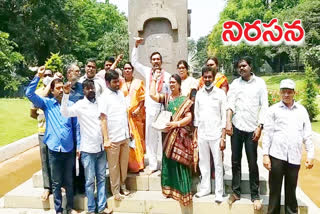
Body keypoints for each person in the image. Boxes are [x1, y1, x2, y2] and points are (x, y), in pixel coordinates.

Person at [26, 66, 79, 214]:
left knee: (69, 180)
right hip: (54, 148)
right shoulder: (47, 104)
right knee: (56, 183)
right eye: (58, 88)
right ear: (52, 90)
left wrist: (78, 146)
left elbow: (76, 128)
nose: (61, 90)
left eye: (62, 87)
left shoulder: (71, 105)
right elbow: (29, 93)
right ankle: (58, 210)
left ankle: (70, 207)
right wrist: (38, 76)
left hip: (69, 148)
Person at [262, 79, 314, 214]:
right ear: (280, 93)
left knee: (291, 191)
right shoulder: (273, 110)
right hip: (276, 156)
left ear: (294, 93)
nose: (286, 95)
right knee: (274, 192)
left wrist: (310, 155)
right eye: (283, 92)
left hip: (294, 157)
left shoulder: (301, 111)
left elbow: (307, 134)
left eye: (289, 92)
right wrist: (265, 155)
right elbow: (267, 134)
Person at [61, 79, 112, 214]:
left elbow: (105, 121)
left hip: (101, 149)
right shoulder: (80, 105)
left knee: (101, 179)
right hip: (87, 150)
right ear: (83, 90)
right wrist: (65, 95)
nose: (91, 90)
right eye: (88, 88)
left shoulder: (100, 102)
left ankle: (101, 208)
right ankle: (91, 208)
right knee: (90, 181)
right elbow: (65, 113)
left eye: (92, 88)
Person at [226, 56, 268, 210]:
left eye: (244, 66)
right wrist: (228, 122)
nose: (241, 68)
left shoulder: (260, 83)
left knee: (252, 163)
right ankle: (236, 192)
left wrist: (260, 126)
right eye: (239, 66)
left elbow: (264, 106)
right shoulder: (235, 84)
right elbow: (230, 103)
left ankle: (255, 195)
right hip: (237, 127)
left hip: (252, 129)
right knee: (235, 161)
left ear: (250, 67)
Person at [150, 73, 195, 206]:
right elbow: (152, 95)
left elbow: (189, 117)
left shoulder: (184, 100)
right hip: (167, 136)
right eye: (170, 82)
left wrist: (176, 124)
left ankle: (183, 192)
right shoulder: (166, 98)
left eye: (174, 82)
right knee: (169, 162)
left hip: (180, 136)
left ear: (179, 84)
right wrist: (154, 79)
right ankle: (169, 190)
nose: (171, 84)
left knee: (179, 164)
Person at [131, 37, 171, 174]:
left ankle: (164, 164)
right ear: (150, 61)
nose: (155, 61)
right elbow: (134, 62)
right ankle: (153, 165)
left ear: (161, 61)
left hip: (163, 110)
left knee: (163, 138)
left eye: (157, 59)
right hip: (150, 110)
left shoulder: (168, 76)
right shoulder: (147, 72)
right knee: (151, 138)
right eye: (153, 59)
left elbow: (171, 93)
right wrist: (136, 46)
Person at [194, 66, 226, 203]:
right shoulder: (199, 94)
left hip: (216, 134)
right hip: (202, 134)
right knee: (203, 163)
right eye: (205, 77)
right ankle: (205, 188)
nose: (207, 79)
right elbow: (196, 116)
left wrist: (223, 137)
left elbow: (224, 117)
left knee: (218, 164)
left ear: (213, 78)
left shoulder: (220, 94)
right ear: (202, 78)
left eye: (209, 77)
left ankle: (219, 192)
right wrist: (195, 136)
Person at [99, 69, 130, 201]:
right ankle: (115, 190)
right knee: (113, 166)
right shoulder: (103, 97)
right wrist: (106, 139)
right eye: (114, 82)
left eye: (118, 81)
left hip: (124, 135)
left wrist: (129, 130)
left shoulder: (121, 94)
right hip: (113, 138)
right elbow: (103, 119)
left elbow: (125, 114)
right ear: (107, 82)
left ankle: (123, 185)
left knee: (123, 164)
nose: (117, 84)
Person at [30, 69, 53, 202]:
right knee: (45, 160)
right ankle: (47, 187)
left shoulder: (56, 91)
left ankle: (58, 184)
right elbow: (32, 112)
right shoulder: (38, 93)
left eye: (50, 75)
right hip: (43, 131)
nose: (48, 77)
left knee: (56, 159)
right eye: (46, 76)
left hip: (55, 131)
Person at [120, 62, 146, 173]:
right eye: (125, 68)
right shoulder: (119, 83)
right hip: (123, 117)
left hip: (136, 117)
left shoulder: (138, 83)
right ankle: (128, 165)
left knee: (137, 141)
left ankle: (138, 164)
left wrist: (138, 109)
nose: (127, 70)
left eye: (129, 68)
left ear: (132, 70)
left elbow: (142, 99)